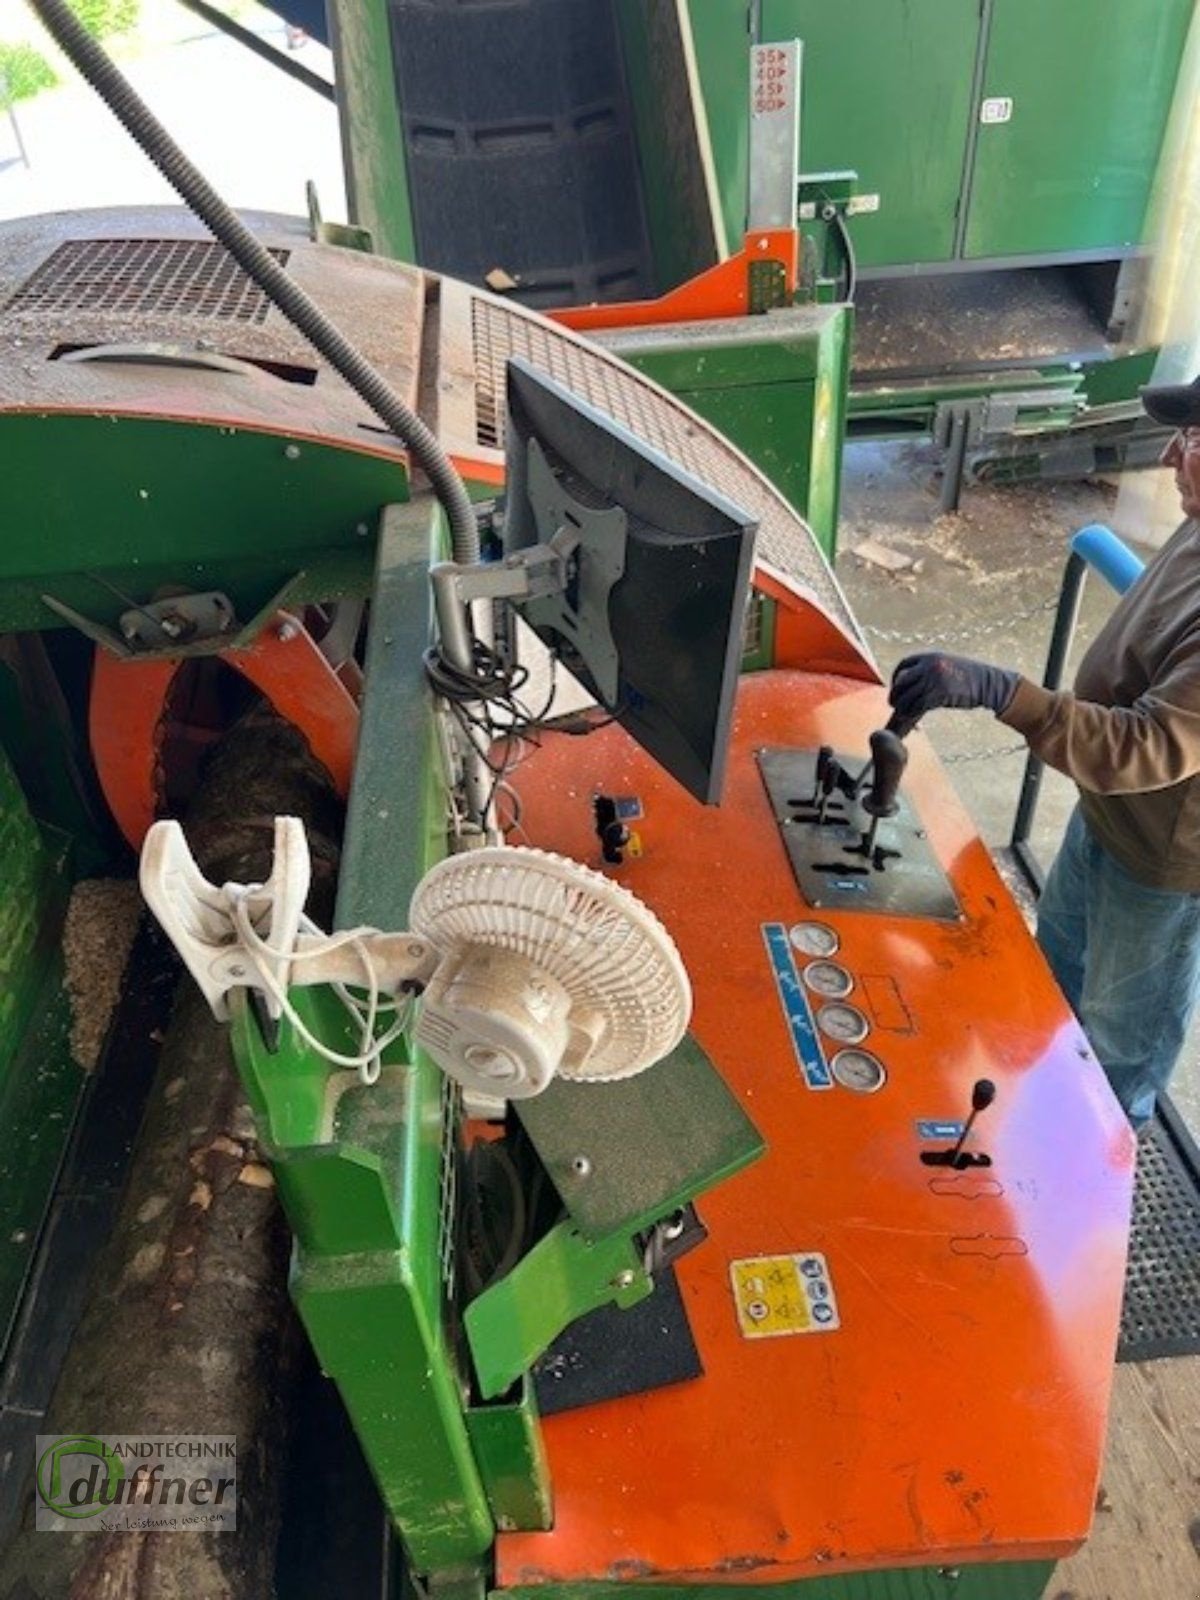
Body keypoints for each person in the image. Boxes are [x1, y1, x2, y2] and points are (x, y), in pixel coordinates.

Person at [887, 378, 1200, 1132]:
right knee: (1051, 979)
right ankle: (1030, 1121)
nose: (1169, 455)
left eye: (1193, 441)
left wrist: (1004, 692)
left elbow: (1146, 746)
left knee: (1121, 1035)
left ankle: (1098, 1166)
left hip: (1164, 865)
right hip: (1106, 816)